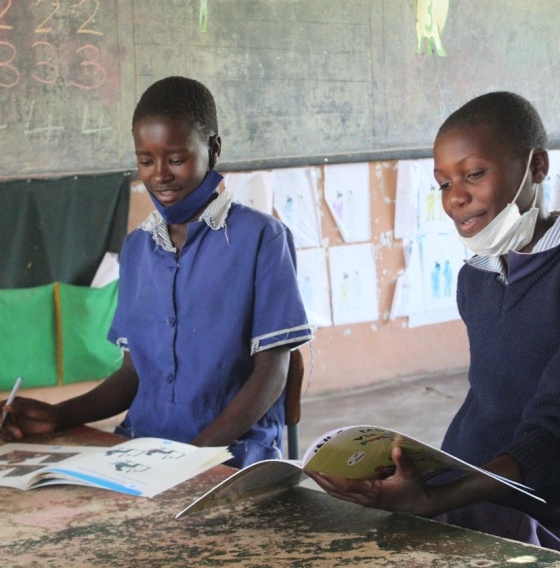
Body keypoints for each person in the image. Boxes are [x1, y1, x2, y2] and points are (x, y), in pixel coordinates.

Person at [0, 76, 313, 469]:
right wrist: (58, 415)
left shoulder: (261, 239)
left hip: (228, 456)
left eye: (177, 159)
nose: (159, 175)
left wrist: (191, 459)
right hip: (142, 450)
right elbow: (133, 375)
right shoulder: (137, 249)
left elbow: (272, 374)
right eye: (146, 161)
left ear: (213, 149)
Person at [309, 91, 560, 549]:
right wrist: (414, 470)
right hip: (469, 485)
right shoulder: (477, 277)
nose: (455, 199)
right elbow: (490, 399)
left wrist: (434, 498)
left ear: (537, 167)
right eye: (443, 184)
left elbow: (548, 437)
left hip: (536, 510)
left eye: (474, 175)